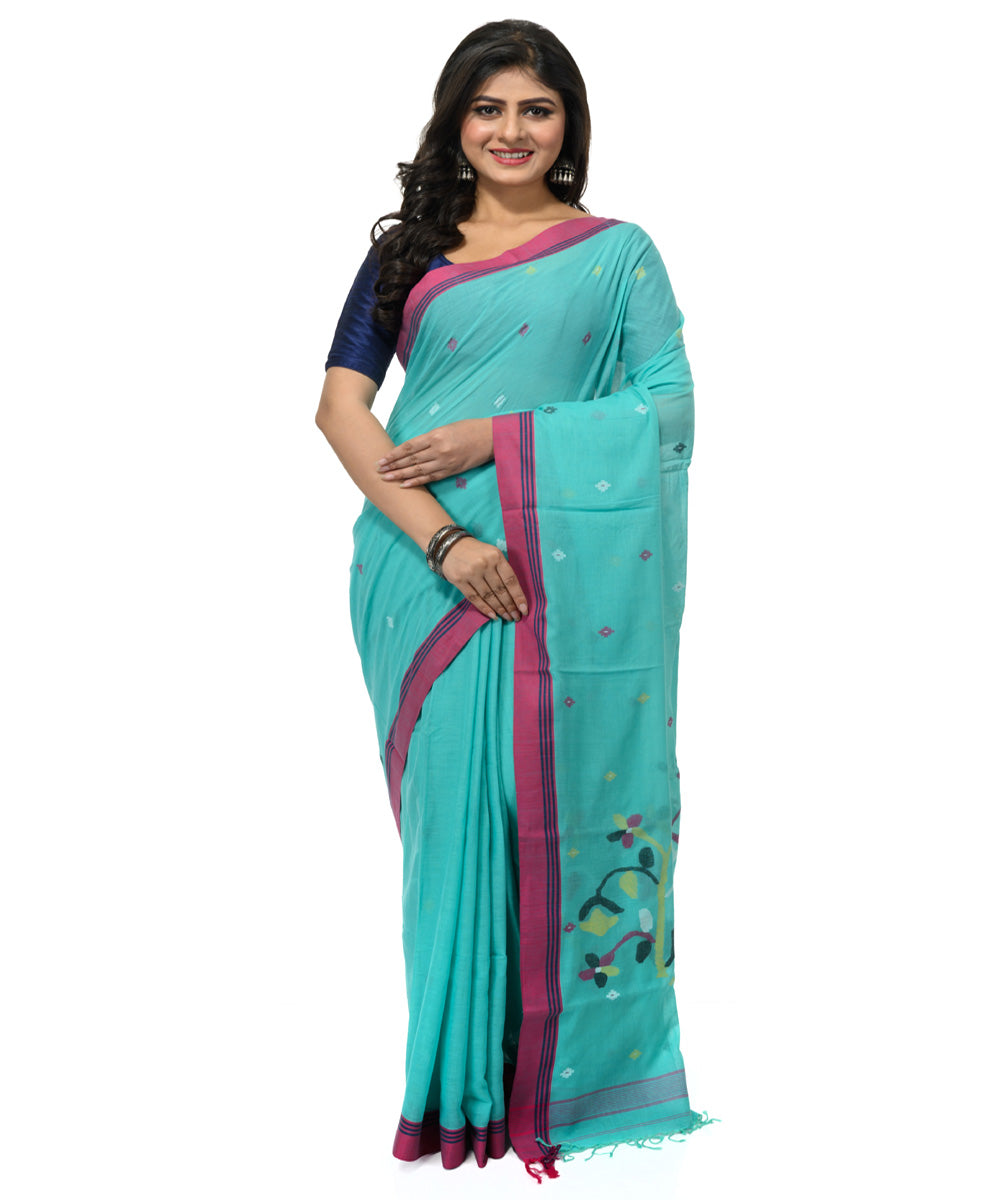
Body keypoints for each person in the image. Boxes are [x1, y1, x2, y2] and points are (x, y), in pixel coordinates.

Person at [315, 18, 714, 1177]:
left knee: (537, 804)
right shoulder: (408, 254)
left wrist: (496, 435)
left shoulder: (618, 254)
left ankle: (557, 1078)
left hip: (555, 565)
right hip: (421, 572)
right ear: (454, 122)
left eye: (535, 109)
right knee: (452, 829)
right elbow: (339, 409)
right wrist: (445, 541)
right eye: (487, 108)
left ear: (568, 125)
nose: (510, 130)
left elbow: (668, 408)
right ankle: (456, 1092)